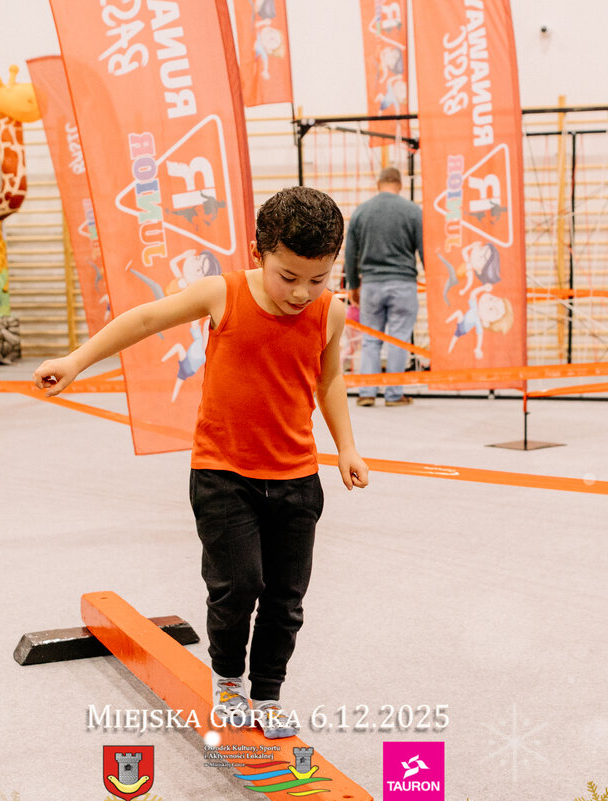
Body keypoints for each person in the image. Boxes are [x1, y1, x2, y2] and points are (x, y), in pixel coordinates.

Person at [33, 187, 369, 738]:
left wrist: (347, 446)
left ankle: (267, 693)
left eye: (318, 278)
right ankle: (229, 679)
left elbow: (328, 377)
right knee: (238, 587)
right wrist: (76, 360)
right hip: (223, 475)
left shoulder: (329, 312)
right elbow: (146, 319)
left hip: (296, 478)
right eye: (288, 276)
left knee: (286, 599)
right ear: (259, 251)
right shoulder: (223, 293)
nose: (301, 292)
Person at [344, 166, 423, 407]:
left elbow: (350, 253)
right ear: (399, 185)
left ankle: (367, 392)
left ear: (379, 184)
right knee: (398, 339)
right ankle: (394, 395)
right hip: (403, 284)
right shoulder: (412, 211)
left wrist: (353, 285)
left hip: (371, 285)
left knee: (370, 339)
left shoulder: (362, 212)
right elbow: (424, 249)